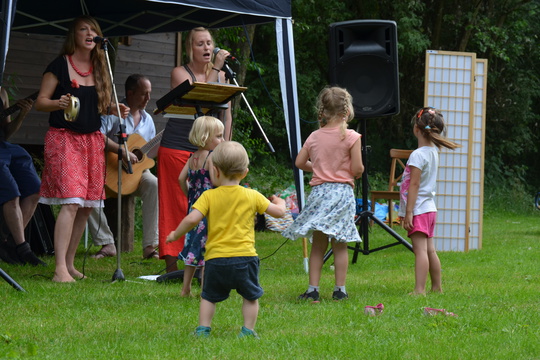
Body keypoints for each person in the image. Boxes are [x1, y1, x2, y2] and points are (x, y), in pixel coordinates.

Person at [35, 15, 129, 282]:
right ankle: (59, 270)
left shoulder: (100, 67)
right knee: (71, 201)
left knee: (87, 205)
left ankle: (69, 263)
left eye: (93, 30)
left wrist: (113, 109)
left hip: (92, 140)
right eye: (82, 29)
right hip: (65, 138)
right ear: (73, 36)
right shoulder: (59, 65)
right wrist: (58, 103)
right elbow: (41, 102)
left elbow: (97, 106)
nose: (89, 33)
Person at [166, 141, 286, 338]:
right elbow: (280, 213)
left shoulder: (208, 196)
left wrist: (175, 234)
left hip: (216, 260)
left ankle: (203, 329)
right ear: (245, 172)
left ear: (215, 171)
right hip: (245, 258)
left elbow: (192, 219)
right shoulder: (252, 195)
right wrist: (280, 201)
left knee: (208, 297)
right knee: (250, 297)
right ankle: (247, 330)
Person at [159, 27, 232, 272]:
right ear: (190, 48)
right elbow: (204, 98)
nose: (207, 48)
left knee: (205, 204)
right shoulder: (180, 73)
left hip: (210, 152)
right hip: (177, 147)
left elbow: (225, 113)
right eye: (200, 44)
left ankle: (201, 259)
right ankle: (171, 262)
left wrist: (227, 147)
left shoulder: (222, 75)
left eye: (210, 43)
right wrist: (217, 71)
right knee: (175, 203)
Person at [282, 86, 364, 302]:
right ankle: (340, 290)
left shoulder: (315, 136)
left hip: (320, 194)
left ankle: (312, 290)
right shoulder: (352, 137)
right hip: (342, 195)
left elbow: (300, 162)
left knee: (318, 245)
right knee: (340, 243)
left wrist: (317, 168)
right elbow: (357, 170)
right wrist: (356, 171)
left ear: (324, 111)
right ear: (346, 111)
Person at [87, 74, 159, 260]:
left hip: (136, 174)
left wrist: (145, 157)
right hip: (108, 169)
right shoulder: (114, 113)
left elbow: (147, 153)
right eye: (144, 94)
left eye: (149, 94)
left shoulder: (148, 120)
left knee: (153, 183)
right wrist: (122, 151)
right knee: (86, 188)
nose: (148, 99)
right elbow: (97, 137)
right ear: (130, 93)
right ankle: (107, 242)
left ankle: (150, 246)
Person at [398, 107, 459, 295]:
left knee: (420, 251)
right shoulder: (433, 152)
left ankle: (419, 289)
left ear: (417, 129)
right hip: (430, 209)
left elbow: (413, 185)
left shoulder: (418, 154)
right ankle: (436, 287)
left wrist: (408, 212)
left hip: (419, 210)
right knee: (430, 250)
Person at [177, 115, 224, 297]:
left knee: (192, 248)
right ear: (205, 137)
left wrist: (189, 194)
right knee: (206, 249)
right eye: (218, 136)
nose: (222, 140)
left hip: (194, 207)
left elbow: (181, 179)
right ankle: (206, 289)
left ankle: (185, 288)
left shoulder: (193, 157)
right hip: (209, 209)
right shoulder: (211, 157)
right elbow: (215, 180)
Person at [0, 87, 45, 266]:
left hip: (6, 147)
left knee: (36, 189)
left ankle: (10, 244)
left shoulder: (2, 92)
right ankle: (23, 248)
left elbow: (8, 132)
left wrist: (22, 114)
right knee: (12, 194)